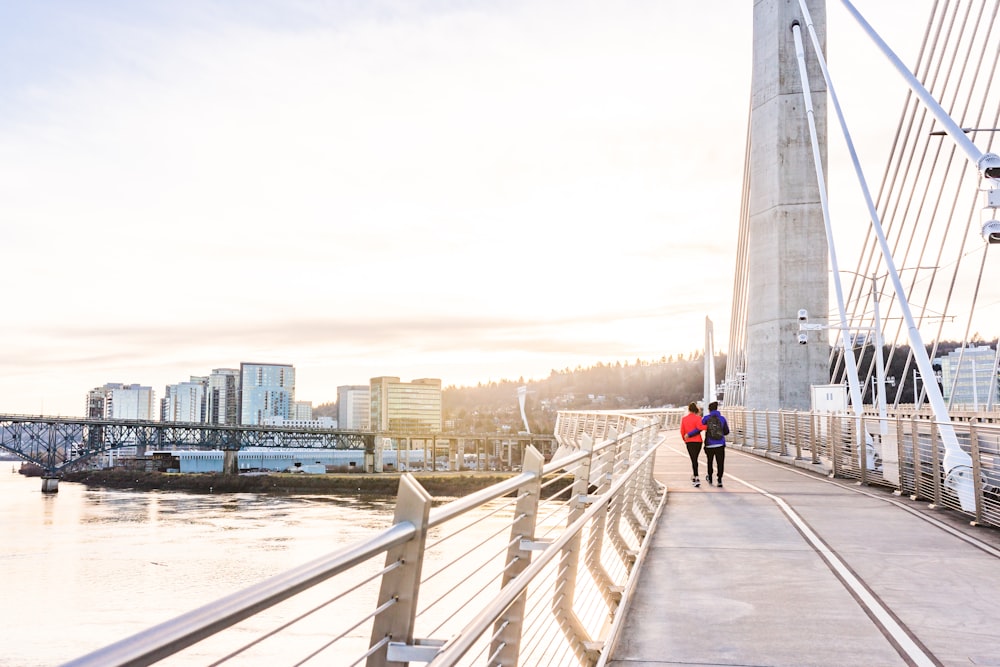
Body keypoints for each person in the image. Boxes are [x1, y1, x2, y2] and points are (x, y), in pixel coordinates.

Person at [701, 401, 729, 487]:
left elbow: (700, 427)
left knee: (710, 462)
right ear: (717, 409)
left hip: (709, 444)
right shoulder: (722, 418)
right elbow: (727, 431)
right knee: (720, 462)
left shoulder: (706, 418)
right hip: (720, 444)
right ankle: (719, 479)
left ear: (709, 410)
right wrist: (719, 433)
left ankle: (710, 477)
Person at [680, 402, 704, 487]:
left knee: (693, 459)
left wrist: (685, 439)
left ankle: (696, 477)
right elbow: (701, 428)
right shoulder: (699, 418)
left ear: (689, 409)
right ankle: (695, 476)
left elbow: (682, 431)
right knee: (695, 459)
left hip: (689, 442)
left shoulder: (684, 419)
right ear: (696, 410)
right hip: (698, 442)